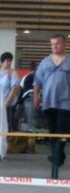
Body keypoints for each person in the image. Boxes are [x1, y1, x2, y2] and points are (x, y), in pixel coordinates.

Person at [33, 34, 69, 168]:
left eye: (57, 44)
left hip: (66, 103)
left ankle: (57, 157)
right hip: (48, 102)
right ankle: (58, 154)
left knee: (62, 130)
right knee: (53, 131)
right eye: (52, 44)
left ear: (64, 44)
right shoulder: (45, 62)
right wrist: (36, 97)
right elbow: (37, 82)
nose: (54, 46)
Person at [0, 51, 20, 131]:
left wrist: (7, 101)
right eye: (7, 61)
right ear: (2, 61)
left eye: (10, 61)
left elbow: (14, 88)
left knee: (7, 123)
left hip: (7, 103)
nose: (9, 63)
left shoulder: (12, 73)